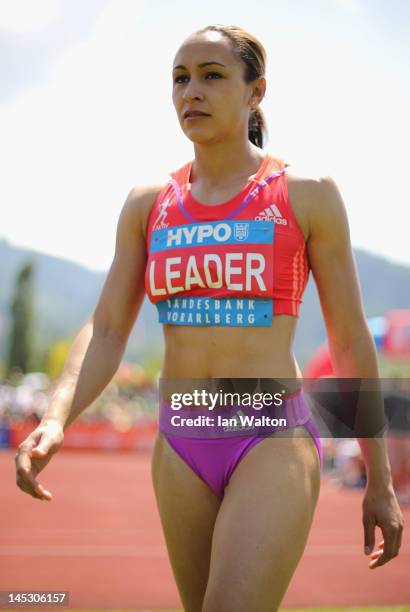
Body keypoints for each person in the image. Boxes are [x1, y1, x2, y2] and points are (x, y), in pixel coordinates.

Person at [15, 24, 404, 612]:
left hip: (270, 436)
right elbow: (109, 327)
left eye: (212, 76)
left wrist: (379, 476)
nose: (190, 91)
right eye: (180, 78)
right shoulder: (149, 203)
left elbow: (349, 339)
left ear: (256, 92)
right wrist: (57, 417)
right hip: (180, 442)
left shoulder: (306, 192)